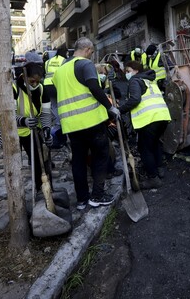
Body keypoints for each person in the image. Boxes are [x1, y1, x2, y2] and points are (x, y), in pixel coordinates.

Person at [53, 37, 119, 209]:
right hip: (90, 121)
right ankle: (97, 196)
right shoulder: (84, 64)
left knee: (79, 161)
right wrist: (109, 107)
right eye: (92, 52)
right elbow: (93, 87)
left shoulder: (61, 70)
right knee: (101, 156)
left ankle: (82, 199)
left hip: (70, 125)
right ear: (88, 50)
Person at [118, 60, 171, 189]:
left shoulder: (135, 81)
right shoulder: (149, 80)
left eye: (128, 71)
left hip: (149, 119)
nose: (127, 74)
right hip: (162, 116)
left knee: (144, 148)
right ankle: (159, 169)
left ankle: (153, 178)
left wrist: (120, 110)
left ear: (136, 70)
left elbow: (135, 99)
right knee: (155, 143)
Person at [11, 51, 54, 193]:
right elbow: (5, 115)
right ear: (24, 77)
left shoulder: (42, 89)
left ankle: (44, 190)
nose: (35, 84)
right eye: (31, 81)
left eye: (37, 81)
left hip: (34, 130)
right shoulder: (14, 88)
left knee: (40, 160)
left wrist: (47, 130)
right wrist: (23, 121)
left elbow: (46, 113)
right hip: (15, 133)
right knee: (15, 166)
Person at [43, 47, 67, 132]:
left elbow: (45, 73)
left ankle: (57, 123)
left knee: (53, 106)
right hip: (57, 85)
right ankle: (60, 123)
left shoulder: (48, 61)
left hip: (47, 85)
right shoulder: (64, 61)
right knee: (62, 105)